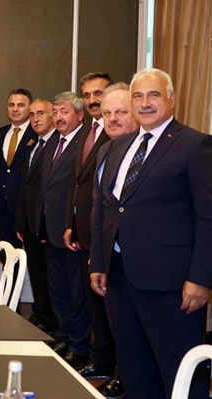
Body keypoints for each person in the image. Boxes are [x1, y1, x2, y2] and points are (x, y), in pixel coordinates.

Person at [90, 69, 212, 399]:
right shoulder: (116, 147)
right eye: (138, 96)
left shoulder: (196, 146)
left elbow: (211, 218)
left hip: (172, 285)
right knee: (135, 369)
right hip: (121, 279)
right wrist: (99, 262)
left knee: (179, 372)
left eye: (154, 95)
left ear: (171, 99)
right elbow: (106, 209)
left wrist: (201, 279)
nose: (145, 103)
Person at [71, 82, 136, 398]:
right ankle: (119, 374)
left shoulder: (156, 152)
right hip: (109, 256)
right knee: (116, 325)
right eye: (108, 114)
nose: (112, 119)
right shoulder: (106, 151)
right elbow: (100, 208)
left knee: (134, 331)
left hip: (144, 262)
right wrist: (97, 255)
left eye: (121, 112)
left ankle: (126, 377)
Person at [63, 74, 114, 385]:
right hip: (84, 231)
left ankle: (112, 366)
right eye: (87, 95)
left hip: (107, 235)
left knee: (109, 308)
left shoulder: (117, 132)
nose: (93, 100)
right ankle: (101, 361)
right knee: (92, 303)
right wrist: (70, 224)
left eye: (99, 93)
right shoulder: (86, 131)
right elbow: (78, 182)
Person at [40, 92, 90, 367]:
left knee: (76, 292)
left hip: (73, 231)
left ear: (80, 115)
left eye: (64, 112)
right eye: (55, 112)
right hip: (51, 228)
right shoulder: (53, 142)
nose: (58, 117)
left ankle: (79, 345)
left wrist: (74, 226)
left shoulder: (86, 144)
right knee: (57, 289)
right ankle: (63, 336)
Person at [14, 98, 58, 335]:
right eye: (32, 115)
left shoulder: (58, 146)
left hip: (47, 224)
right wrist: (21, 222)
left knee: (51, 278)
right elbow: (26, 187)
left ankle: (51, 321)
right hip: (30, 223)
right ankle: (40, 315)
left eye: (41, 113)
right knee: (37, 274)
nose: (35, 119)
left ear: (52, 116)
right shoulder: (33, 144)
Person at [0, 88, 36, 248]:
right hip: (3, 207)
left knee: (29, 255)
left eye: (20, 105)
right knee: (6, 253)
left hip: (26, 207)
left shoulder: (37, 134)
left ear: (29, 108)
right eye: (11, 105)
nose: (15, 109)